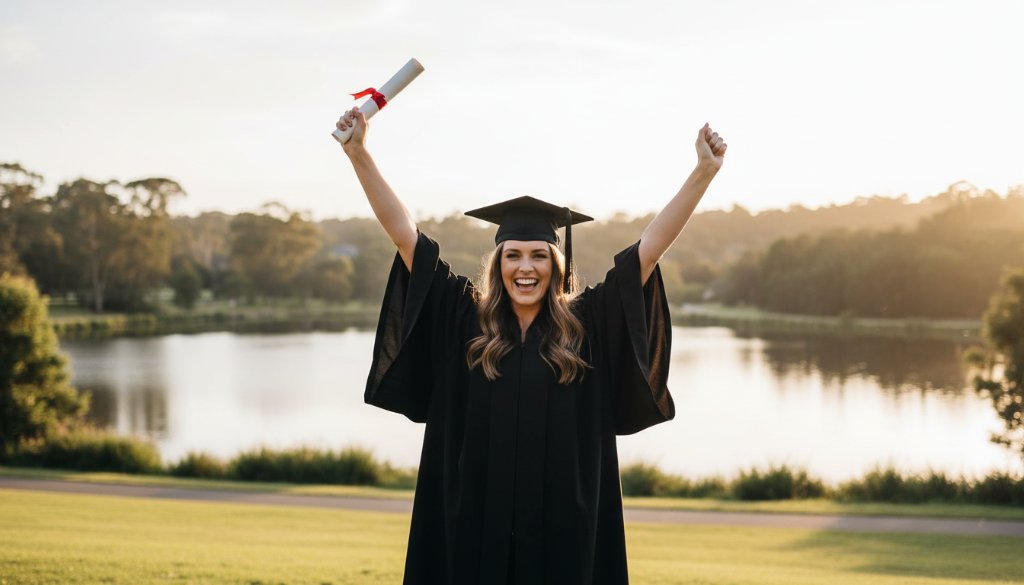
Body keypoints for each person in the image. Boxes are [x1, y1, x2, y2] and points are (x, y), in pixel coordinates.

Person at [337, 108, 726, 585]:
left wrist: (703, 172)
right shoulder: (464, 320)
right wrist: (359, 153)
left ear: (557, 264)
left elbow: (647, 251)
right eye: (514, 255)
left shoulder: (587, 326)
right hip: (472, 530)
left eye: (539, 255)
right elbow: (406, 236)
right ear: (498, 261)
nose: (526, 267)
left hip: (563, 535)